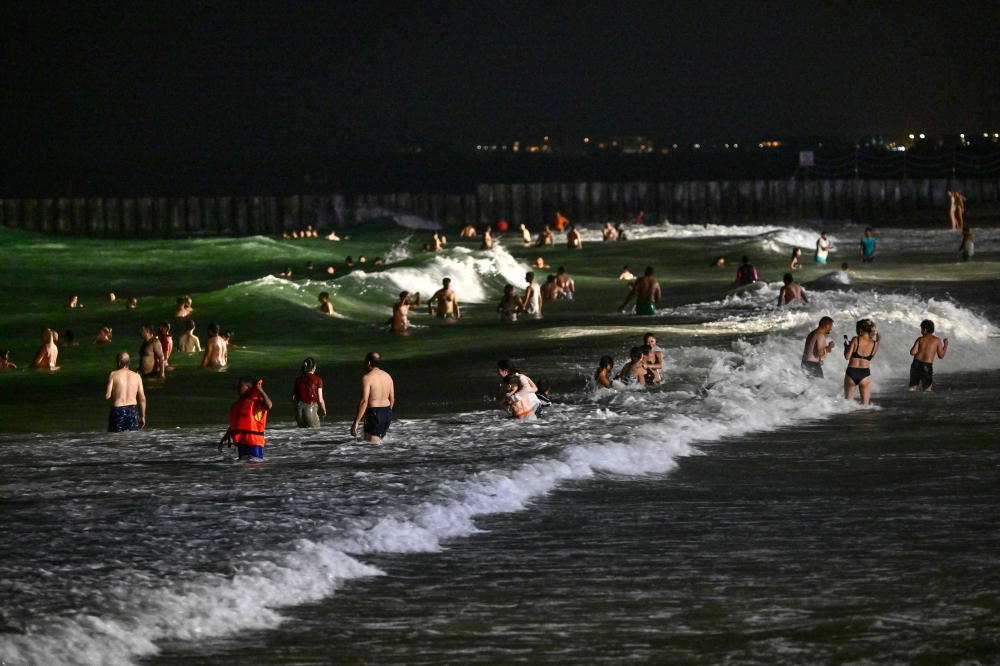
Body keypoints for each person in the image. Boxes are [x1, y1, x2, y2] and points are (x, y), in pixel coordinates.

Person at [219, 377, 272, 461]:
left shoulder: (256, 403)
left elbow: (269, 406)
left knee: (256, 467)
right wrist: (224, 439)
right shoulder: (238, 405)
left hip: (253, 443)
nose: (238, 388)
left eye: (240, 386)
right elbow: (235, 425)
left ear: (248, 388)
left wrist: (260, 390)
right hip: (241, 443)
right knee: (243, 471)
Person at [351, 352, 395, 442]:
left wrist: (356, 422)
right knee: (381, 445)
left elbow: (364, 401)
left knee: (370, 448)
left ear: (368, 363)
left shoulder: (367, 378)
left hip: (375, 414)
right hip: (387, 413)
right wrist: (386, 414)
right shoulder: (388, 376)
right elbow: (392, 399)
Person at [105, 352, 146, 432]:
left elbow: (107, 396)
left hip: (118, 410)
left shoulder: (113, 374)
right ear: (128, 362)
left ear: (119, 362)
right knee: (132, 438)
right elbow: (142, 398)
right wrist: (143, 416)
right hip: (133, 410)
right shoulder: (137, 376)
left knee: (115, 437)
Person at [844, 318, 881, 405]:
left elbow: (847, 357)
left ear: (860, 330)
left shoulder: (856, 339)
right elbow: (870, 357)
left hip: (851, 372)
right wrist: (878, 340)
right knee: (865, 405)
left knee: (847, 403)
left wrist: (846, 347)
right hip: (865, 374)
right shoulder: (875, 344)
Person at [909, 319, 948, 392]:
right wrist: (945, 345)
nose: (921, 332)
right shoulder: (937, 340)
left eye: (921, 330)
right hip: (927, 365)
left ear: (924, 330)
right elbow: (941, 356)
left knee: (913, 387)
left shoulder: (920, 339)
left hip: (916, 364)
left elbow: (913, 352)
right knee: (927, 389)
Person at [293, 357, 326, 427]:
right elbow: (320, 400)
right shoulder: (318, 380)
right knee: (315, 434)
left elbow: (294, 398)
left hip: (298, 410)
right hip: (310, 408)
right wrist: (323, 410)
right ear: (314, 367)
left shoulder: (298, 380)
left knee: (302, 435)